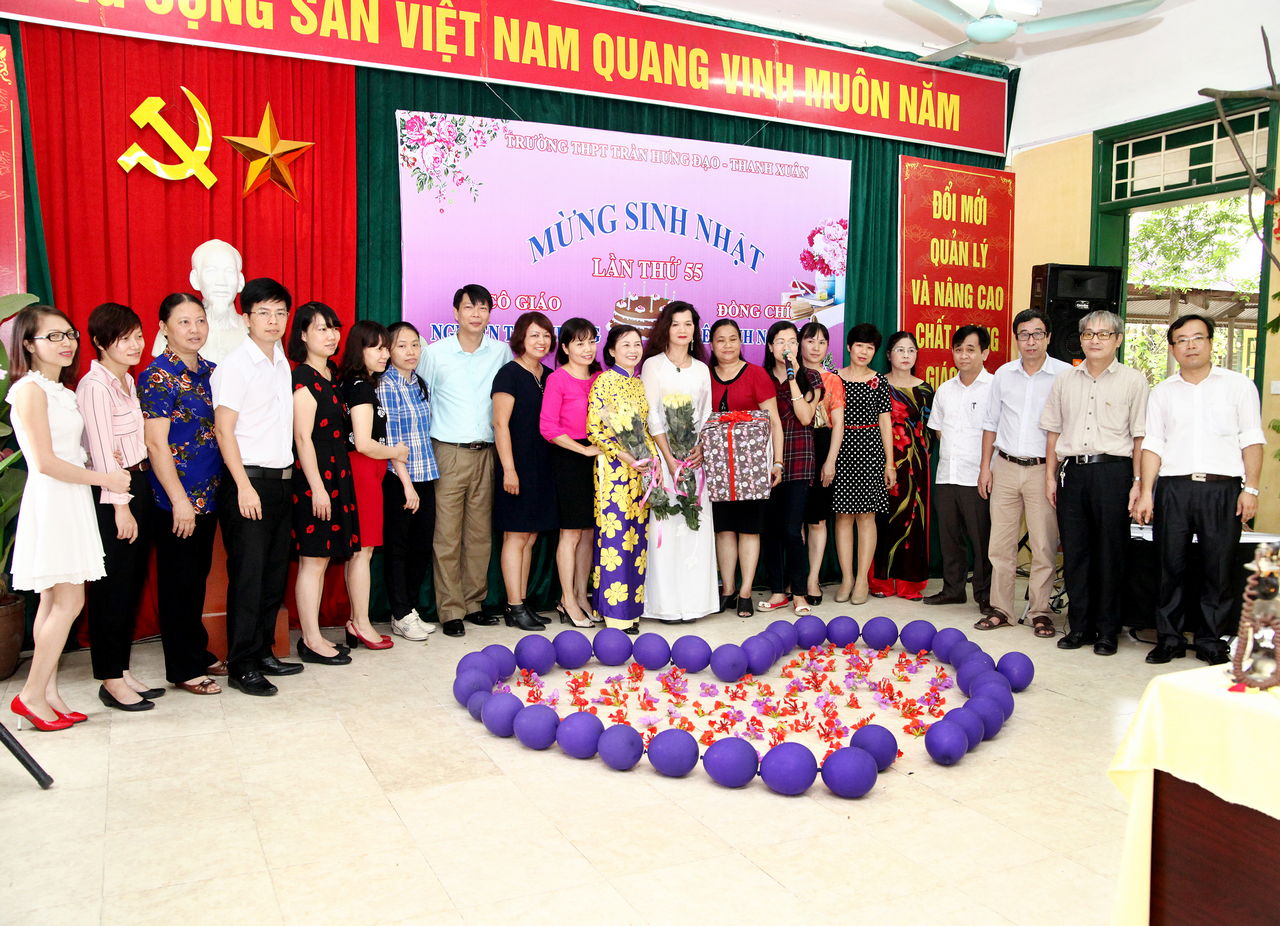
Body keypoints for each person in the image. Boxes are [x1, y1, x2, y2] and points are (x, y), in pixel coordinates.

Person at [7, 305, 129, 731]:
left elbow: (70, 451)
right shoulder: (30, 390)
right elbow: (44, 462)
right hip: (54, 499)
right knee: (69, 602)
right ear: (28, 344)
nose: (66, 343)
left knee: (52, 602)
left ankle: (48, 693)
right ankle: (29, 695)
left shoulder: (58, 389)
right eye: (53, 336)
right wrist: (104, 477)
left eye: (69, 334)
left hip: (71, 496)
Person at [1134, 313, 1264, 665]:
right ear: (1172, 348)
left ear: (1210, 343)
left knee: (1218, 569)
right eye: (1182, 340)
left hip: (1222, 490)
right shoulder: (1162, 392)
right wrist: (1146, 492)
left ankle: (1211, 641)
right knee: (1168, 567)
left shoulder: (1238, 386)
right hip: (1174, 489)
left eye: (1197, 338)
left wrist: (1251, 490)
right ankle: (1169, 639)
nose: (1190, 346)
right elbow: (1153, 444)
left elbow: (1252, 439)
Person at [212, 278, 303, 696]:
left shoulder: (281, 361)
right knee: (248, 577)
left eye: (280, 312)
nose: (273, 320)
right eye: (263, 312)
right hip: (248, 483)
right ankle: (242, 664)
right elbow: (224, 430)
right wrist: (243, 486)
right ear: (246, 317)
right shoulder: (235, 366)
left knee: (272, 574)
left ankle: (264, 651)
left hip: (281, 482)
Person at [1041, 310, 1148, 657]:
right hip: (1073, 473)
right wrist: (1050, 476)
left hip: (1113, 474)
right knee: (1076, 553)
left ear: (1118, 339)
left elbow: (1139, 438)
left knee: (1110, 554)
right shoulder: (1065, 379)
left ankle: (1107, 630)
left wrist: (1138, 482)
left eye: (1103, 334)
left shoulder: (1133, 381)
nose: (1095, 340)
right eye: (1088, 334)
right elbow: (1053, 431)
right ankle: (1080, 626)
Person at [140, 292, 225, 696]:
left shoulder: (211, 372)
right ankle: (183, 668)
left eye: (200, 321)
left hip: (210, 494)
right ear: (164, 327)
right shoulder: (158, 376)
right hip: (175, 499)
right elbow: (155, 444)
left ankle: (198, 652)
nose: (194, 329)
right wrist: (179, 501)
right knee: (178, 584)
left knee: (195, 579)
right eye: (184, 322)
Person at [77, 303, 160, 711]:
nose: (134, 345)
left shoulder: (126, 381)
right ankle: (109, 678)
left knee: (130, 584)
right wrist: (120, 507)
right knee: (112, 588)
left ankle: (121, 669)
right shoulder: (94, 386)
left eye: (138, 336)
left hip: (138, 482)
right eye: (124, 338)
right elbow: (100, 453)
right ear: (99, 341)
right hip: (115, 493)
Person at [418, 284, 508, 637]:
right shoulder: (436, 353)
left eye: (483, 308)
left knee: (479, 535)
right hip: (448, 452)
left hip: (487, 452)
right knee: (447, 535)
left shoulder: (500, 352)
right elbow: (421, 396)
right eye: (469, 307)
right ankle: (450, 609)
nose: (476, 314)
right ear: (456, 312)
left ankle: (474, 604)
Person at [976, 308, 1072, 638]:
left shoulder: (1064, 375)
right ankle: (1001, 608)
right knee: (1000, 544)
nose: (1030, 341)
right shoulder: (1003, 374)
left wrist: (1054, 474)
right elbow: (990, 423)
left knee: (1044, 545)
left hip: (1043, 470)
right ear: (1016, 338)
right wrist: (985, 468)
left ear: (1048, 337)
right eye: (1024, 335)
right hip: (1004, 466)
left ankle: (1039, 611)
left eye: (1037, 334)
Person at [287, 302, 359, 666]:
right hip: (314, 479)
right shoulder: (302, 379)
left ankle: (314, 635)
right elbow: (302, 438)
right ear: (302, 335)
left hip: (336, 475)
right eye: (321, 329)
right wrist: (317, 487)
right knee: (313, 560)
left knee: (322, 557)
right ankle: (310, 639)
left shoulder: (331, 375)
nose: (331, 336)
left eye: (334, 328)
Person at [640, 301, 718, 623]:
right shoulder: (653, 365)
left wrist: (700, 447)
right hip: (663, 459)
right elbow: (652, 414)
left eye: (688, 324)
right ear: (666, 328)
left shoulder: (701, 368)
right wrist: (669, 459)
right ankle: (666, 606)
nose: (682, 330)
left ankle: (695, 604)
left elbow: (706, 413)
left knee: (694, 524)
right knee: (666, 526)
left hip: (695, 459)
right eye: (676, 324)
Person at [341, 320, 410, 648]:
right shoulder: (361, 387)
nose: (385, 355)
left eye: (386, 348)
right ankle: (362, 623)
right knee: (363, 551)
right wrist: (395, 451)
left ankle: (355, 621)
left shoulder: (355, 383)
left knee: (359, 551)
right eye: (377, 348)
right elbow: (364, 443)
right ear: (360, 350)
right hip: (362, 471)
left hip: (365, 472)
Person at [708, 318, 783, 617]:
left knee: (750, 529)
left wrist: (777, 461)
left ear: (741, 342)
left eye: (732, 339)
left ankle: (746, 592)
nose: (727, 345)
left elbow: (774, 422)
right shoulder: (704, 375)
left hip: (753, 468)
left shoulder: (756, 374)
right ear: (711, 344)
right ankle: (727, 589)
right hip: (717, 468)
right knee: (724, 529)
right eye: (720, 340)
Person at [586, 325, 655, 633]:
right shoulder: (604, 381)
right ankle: (613, 612)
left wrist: (650, 462)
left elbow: (646, 429)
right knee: (615, 538)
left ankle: (632, 609)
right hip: (614, 470)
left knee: (637, 538)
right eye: (625, 345)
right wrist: (626, 456)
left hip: (641, 471)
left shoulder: (640, 384)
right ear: (612, 350)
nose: (632, 350)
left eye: (636, 344)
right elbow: (595, 430)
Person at [492, 311, 557, 632]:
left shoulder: (550, 375)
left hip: (543, 466)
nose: (541, 341)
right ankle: (513, 605)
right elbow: (500, 424)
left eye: (545, 335)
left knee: (530, 537)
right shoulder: (509, 374)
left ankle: (521, 602)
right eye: (534, 335)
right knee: (515, 535)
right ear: (521, 338)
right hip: (516, 466)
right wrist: (509, 469)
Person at [923, 325, 995, 614]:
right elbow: (938, 430)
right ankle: (953, 590)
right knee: (950, 538)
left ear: (985, 353)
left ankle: (985, 595)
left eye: (970, 349)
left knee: (982, 540)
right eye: (958, 349)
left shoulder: (995, 388)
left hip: (978, 476)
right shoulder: (945, 389)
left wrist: (986, 468)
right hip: (946, 475)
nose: (963, 355)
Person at [377, 321, 439, 642]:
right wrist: (407, 485)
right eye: (402, 345)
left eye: (415, 344)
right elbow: (392, 440)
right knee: (398, 548)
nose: (410, 351)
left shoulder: (419, 383)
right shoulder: (386, 385)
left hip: (426, 474)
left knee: (421, 547)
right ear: (389, 350)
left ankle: (409, 610)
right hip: (400, 479)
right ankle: (400, 612)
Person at [540, 316, 602, 629]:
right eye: (579, 343)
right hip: (569, 458)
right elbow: (548, 427)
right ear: (565, 347)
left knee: (589, 532)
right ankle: (566, 598)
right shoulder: (558, 379)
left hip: (600, 460)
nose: (587, 348)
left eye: (591, 341)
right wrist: (583, 450)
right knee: (571, 533)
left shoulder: (601, 378)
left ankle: (581, 595)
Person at [756, 321, 821, 616]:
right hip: (767, 462)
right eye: (780, 341)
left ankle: (799, 593)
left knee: (793, 530)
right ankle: (777, 591)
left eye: (792, 341)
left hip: (799, 460)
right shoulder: (761, 377)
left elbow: (805, 417)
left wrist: (794, 377)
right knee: (771, 530)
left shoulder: (811, 377)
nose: (787, 347)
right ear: (770, 346)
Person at [832, 323, 895, 605]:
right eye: (859, 345)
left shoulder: (878, 380)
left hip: (870, 451)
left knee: (866, 516)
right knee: (843, 517)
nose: (864, 351)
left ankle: (861, 580)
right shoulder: (835, 378)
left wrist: (890, 463)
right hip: (841, 450)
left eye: (870, 348)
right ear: (849, 347)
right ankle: (846, 578)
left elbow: (885, 423)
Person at [869, 331, 934, 601]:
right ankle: (880, 581)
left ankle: (910, 582)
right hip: (882, 461)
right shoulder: (877, 384)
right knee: (881, 519)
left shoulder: (926, 390)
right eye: (900, 350)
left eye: (911, 350)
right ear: (888, 354)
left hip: (916, 464)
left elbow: (930, 430)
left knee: (914, 520)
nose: (906, 355)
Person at [799, 321, 845, 606]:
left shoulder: (833, 380)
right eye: (810, 340)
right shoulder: (789, 376)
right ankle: (797, 576)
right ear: (799, 344)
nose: (816, 347)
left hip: (822, 444)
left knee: (817, 520)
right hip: (794, 446)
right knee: (794, 520)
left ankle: (812, 578)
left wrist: (831, 461)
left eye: (822, 342)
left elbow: (838, 424)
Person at [154, 238, 247, 362]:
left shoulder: (254, 331)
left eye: (229, 271)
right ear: (195, 279)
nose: (221, 281)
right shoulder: (171, 332)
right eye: (211, 271)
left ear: (240, 281)